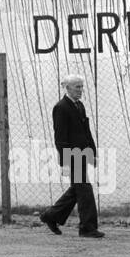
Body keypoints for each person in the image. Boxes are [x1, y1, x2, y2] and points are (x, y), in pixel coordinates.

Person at [39, 73, 105, 238]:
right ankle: (87, 228)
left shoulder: (79, 106)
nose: (81, 90)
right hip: (72, 156)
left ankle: (51, 216)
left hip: (82, 154)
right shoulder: (61, 108)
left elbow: (86, 131)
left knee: (77, 190)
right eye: (77, 87)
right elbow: (60, 138)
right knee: (85, 191)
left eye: (82, 86)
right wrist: (65, 161)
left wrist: (93, 153)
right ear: (67, 88)